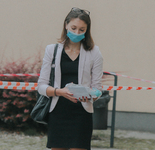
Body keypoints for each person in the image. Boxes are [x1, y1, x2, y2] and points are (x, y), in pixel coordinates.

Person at [38, 7, 103, 150]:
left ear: (87, 30)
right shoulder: (52, 50)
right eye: (73, 28)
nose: (77, 32)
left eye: (81, 29)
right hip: (58, 112)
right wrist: (60, 92)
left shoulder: (94, 53)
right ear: (66, 25)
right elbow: (41, 86)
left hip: (81, 113)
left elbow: (98, 88)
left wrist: (91, 96)